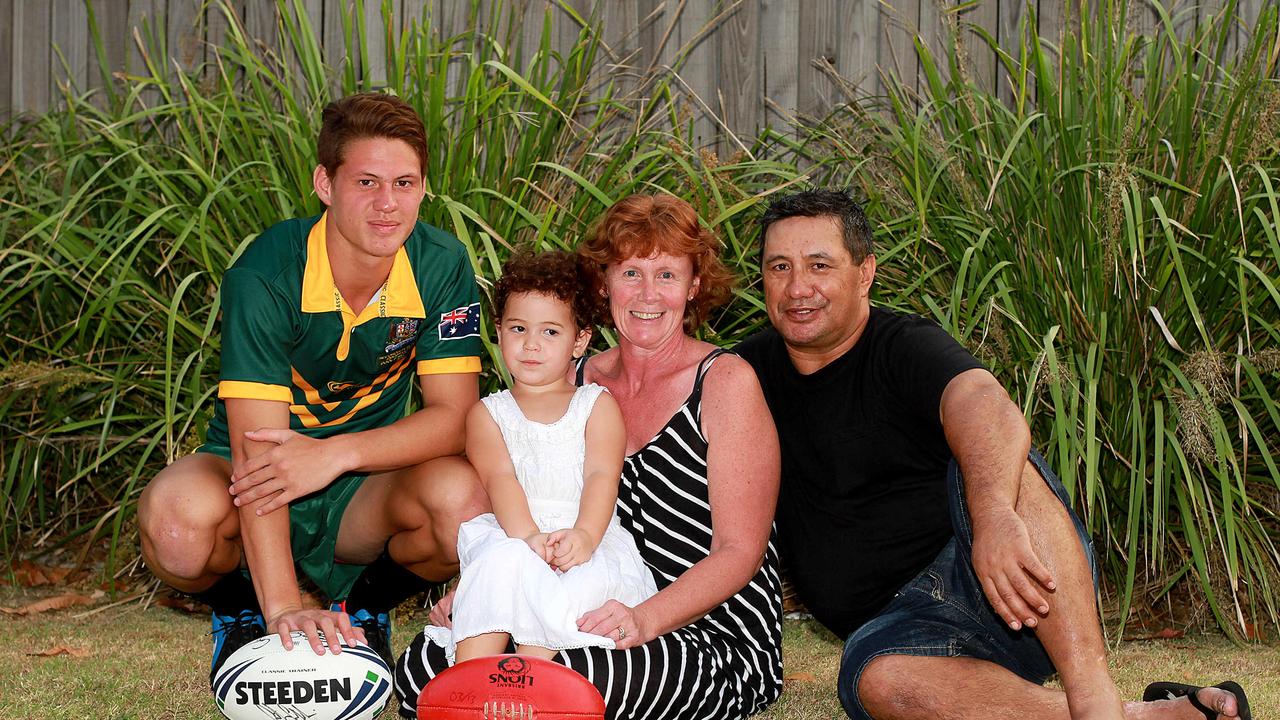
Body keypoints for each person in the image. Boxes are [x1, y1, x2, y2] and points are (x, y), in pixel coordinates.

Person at [736, 188, 1251, 720]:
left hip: (1006, 583)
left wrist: (995, 519)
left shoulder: (902, 345)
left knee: (1005, 470)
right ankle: (1147, 716)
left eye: (819, 264)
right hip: (898, 634)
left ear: (864, 273)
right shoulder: (742, 375)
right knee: (876, 682)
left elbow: (986, 406)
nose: (798, 287)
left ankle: (1094, 696)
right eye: (779, 267)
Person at [137, 92, 490, 685]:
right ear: (325, 184)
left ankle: (366, 606)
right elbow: (258, 451)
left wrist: (335, 454)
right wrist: (282, 607)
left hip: (364, 485)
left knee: (465, 505)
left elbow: (455, 417)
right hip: (245, 469)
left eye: (405, 183)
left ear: (425, 187)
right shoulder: (266, 272)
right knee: (177, 527)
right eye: (367, 182)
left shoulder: (442, 265)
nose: (387, 205)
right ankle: (244, 609)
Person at [396, 193, 784, 719]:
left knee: (566, 683)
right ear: (603, 284)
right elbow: (531, 495)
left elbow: (740, 551)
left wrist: (644, 619)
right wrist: (483, 589)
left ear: (694, 286)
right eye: (630, 274)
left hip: (700, 629)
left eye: (667, 275)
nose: (648, 294)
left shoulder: (724, 383)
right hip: (576, 599)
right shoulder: (576, 382)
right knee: (425, 666)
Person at [419, 249, 658, 663]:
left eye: (550, 332)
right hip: (517, 533)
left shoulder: (595, 406)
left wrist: (584, 535)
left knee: (569, 592)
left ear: (579, 340)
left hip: (584, 537)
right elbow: (500, 480)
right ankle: (468, 677)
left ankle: (532, 678)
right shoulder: (488, 414)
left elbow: (603, 476)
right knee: (500, 568)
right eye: (518, 328)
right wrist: (529, 539)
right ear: (498, 330)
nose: (531, 345)